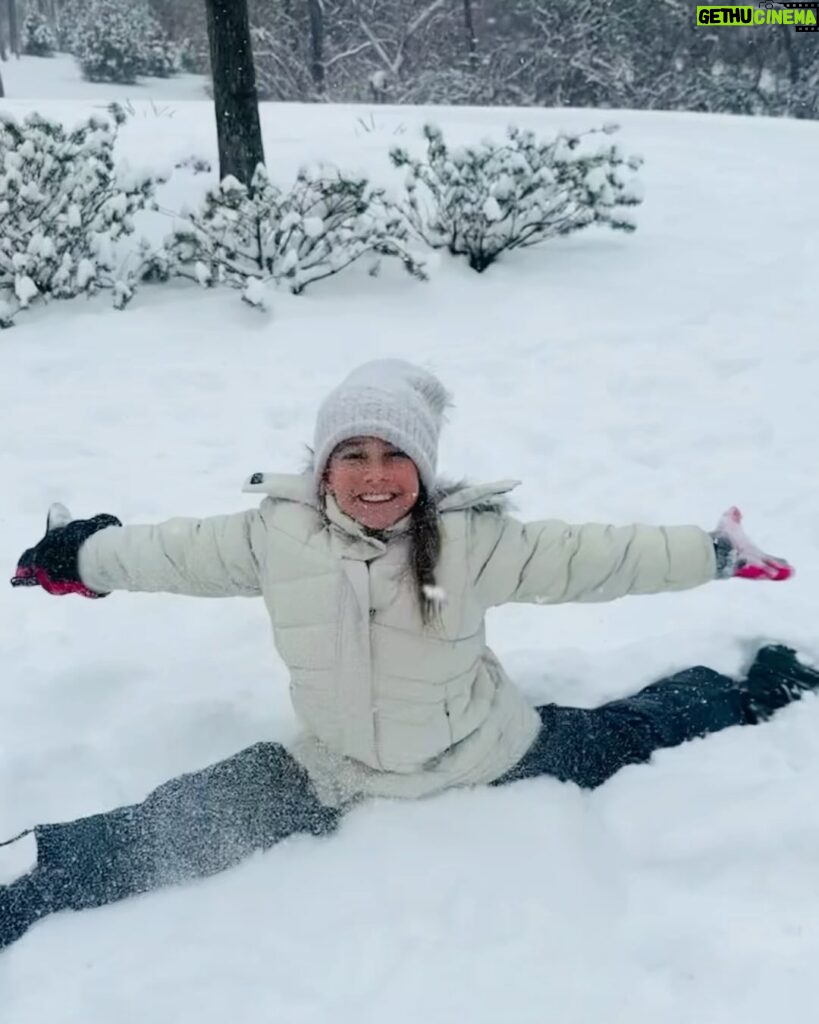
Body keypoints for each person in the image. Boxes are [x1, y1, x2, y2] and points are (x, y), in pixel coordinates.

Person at [2, 358, 816, 952]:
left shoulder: (474, 543)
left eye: (395, 456)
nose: (375, 475)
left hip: (486, 754)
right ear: (323, 467)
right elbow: (167, 553)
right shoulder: (273, 537)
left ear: (423, 469)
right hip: (339, 767)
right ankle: (31, 880)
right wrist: (79, 556)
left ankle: (749, 688)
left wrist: (711, 553)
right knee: (187, 818)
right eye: (352, 455)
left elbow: (596, 556)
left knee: (633, 732)